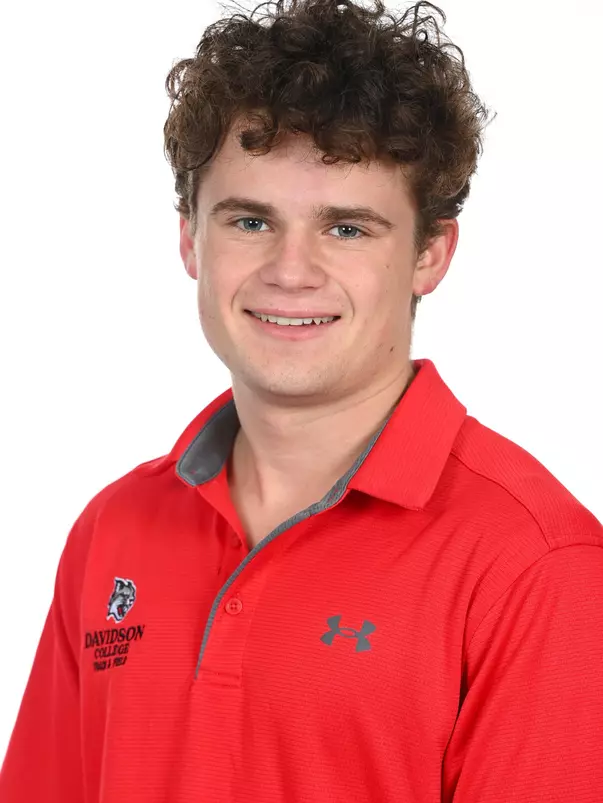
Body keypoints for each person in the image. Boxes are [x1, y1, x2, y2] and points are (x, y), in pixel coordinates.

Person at [1, 0, 602, 800]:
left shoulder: (536, 566)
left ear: (430, 253)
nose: (291, 270)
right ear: (189, 238)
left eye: (346, 230)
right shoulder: (114, 528)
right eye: (250, 220)